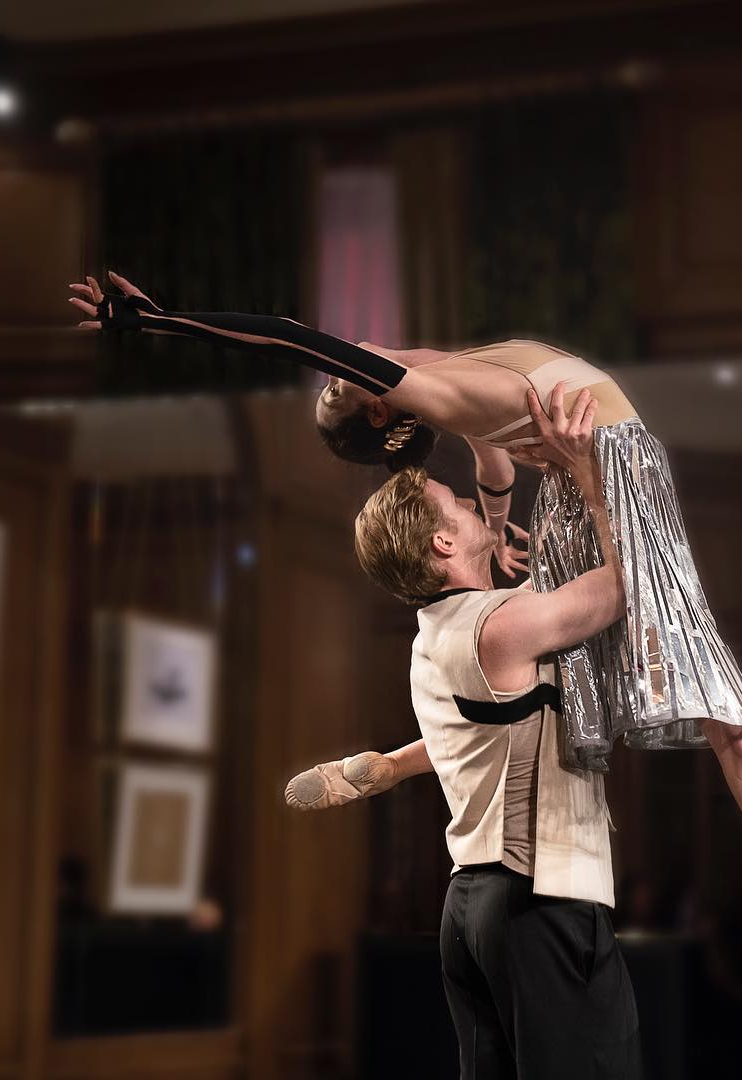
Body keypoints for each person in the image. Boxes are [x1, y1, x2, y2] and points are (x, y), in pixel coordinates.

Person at [70, 274, 742, 1008]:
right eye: (339, 386)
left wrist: (501, 527)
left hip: (575, 486)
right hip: (607, 480)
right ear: (379, 403)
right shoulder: (424, 389)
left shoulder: (441, 371)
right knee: (730, 732)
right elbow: (291, 337)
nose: (337, 371)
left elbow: (495, 461)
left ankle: (392, 765)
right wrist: (155, 321)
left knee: (559, 696)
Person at [295, 388, 641, 1077]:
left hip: (472, 910)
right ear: (443, 542)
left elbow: (472, 739)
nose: (467, 504)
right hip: (538, 899)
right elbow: (626, 581)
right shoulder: (499, 627)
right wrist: (586, 472)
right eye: (455, 504)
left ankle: (383, 767)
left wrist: (393, 765)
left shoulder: (439, 633)